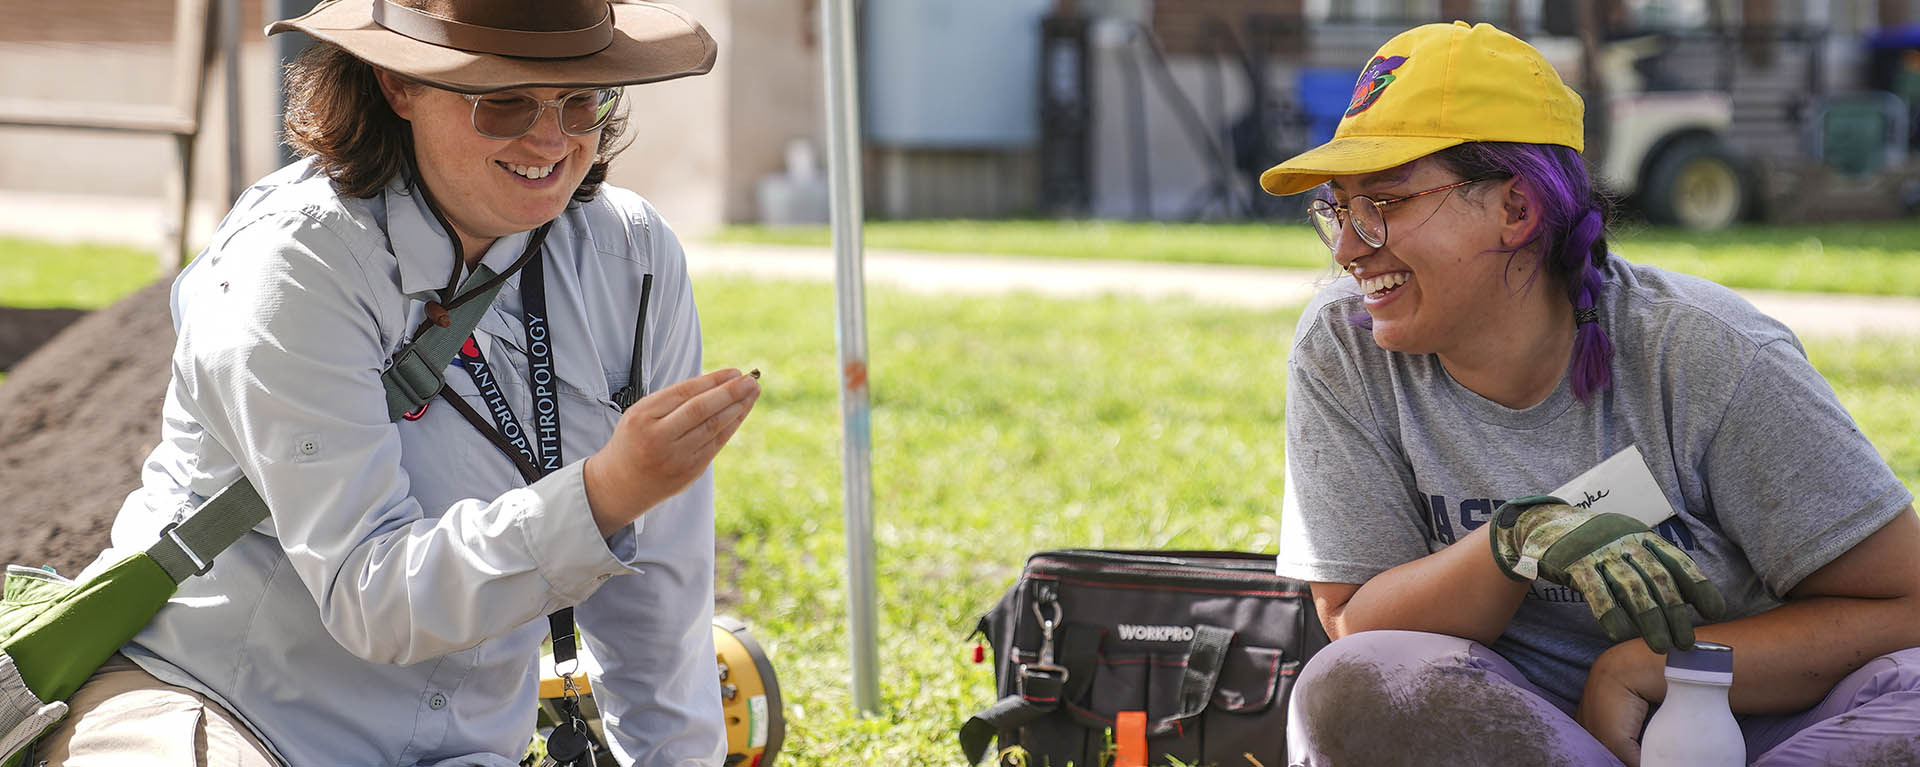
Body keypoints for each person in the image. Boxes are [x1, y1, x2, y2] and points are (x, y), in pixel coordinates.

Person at [31, 0, 760, 764]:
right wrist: (606, 492)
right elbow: (369, 595)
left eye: (580, 100)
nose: (551, 138)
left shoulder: (633, 257)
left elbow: (660, 603)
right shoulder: (294, 264)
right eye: (503, 101)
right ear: (397, 85)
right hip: (215, 704)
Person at [1266, 21, 1920, 767]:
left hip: (1752, 728)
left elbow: (1906, 604)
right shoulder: (1343, 345)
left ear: (1518, 210)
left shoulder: (1708, 353)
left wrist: (1644, 666)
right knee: (1348, 685)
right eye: (1337, 208)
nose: (1349, 248)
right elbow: (1355, 621)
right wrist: (1515, 540)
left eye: (1383, 202)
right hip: (1512, 735)